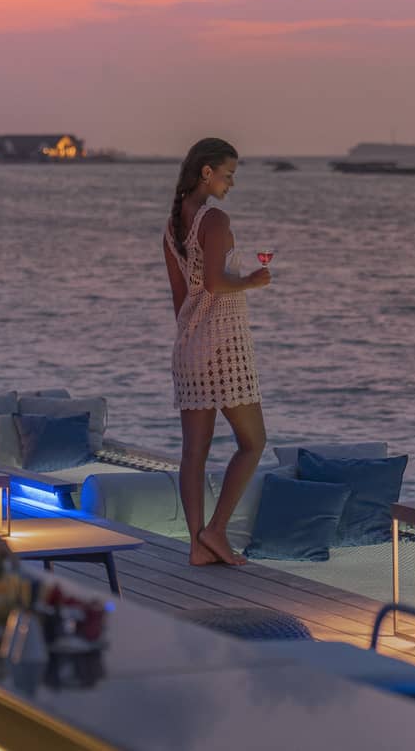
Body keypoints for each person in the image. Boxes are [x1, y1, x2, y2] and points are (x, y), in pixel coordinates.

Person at [163, 138, 271, 566]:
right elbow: (214, 283)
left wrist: (190, 338)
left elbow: (180, 296)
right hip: (224, 350)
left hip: (188, 348)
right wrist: (251, 281)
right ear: (206, 172)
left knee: (194, 452)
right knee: (254, 442)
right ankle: (217, 531)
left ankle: (197, 546)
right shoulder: (215, 218)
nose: (231, 184)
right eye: (228, 175)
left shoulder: (172, 226)